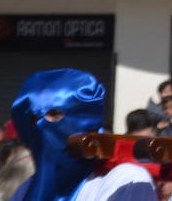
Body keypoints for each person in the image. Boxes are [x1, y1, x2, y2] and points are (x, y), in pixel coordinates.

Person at [8, 69, 156, 201]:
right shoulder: (27, 189)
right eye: (34, 119)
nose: (41, 126)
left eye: (54, 114)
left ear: (84, 118)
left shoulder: (125, 179)